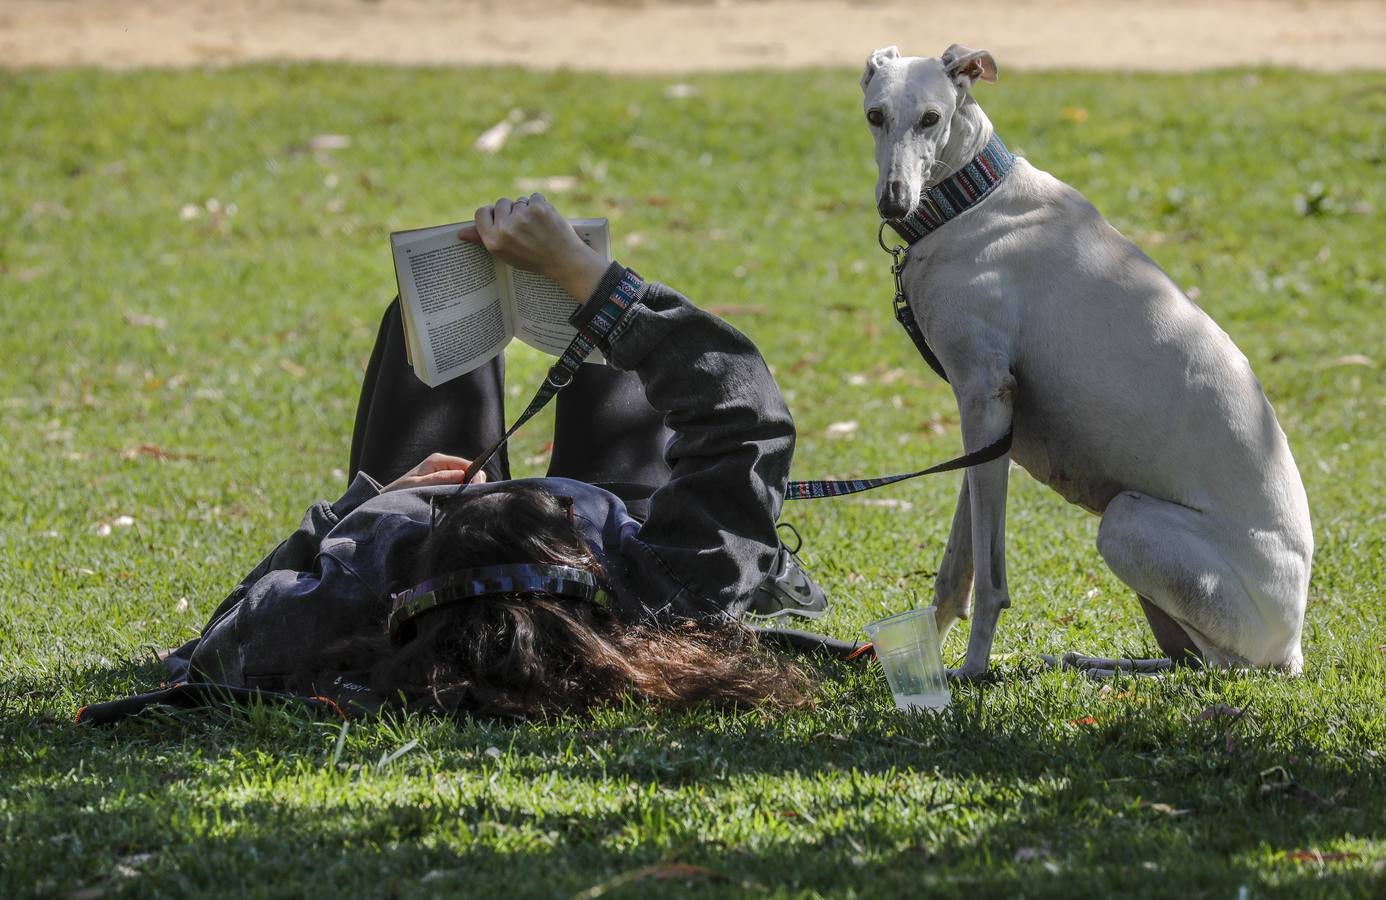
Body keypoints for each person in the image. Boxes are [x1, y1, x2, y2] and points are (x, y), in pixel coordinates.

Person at [158, 194, 833, 719]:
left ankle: (561, 304)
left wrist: (374, 503)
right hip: (597, 560)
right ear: (581, 553)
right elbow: (742, 417)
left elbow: (218, 638)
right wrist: (586, 277)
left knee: (423, 321)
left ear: (415, 571)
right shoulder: (662, 601)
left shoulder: (355, 606)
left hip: (445, 556)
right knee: (605, 347)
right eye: (569, 515)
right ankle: (585, 297)